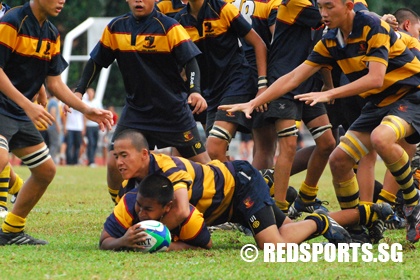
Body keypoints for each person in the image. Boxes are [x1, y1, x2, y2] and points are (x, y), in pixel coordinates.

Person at [219, 0, 420, 243]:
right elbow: (294, 76)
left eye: (329, 7)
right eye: (320, 7)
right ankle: (357, 228)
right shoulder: (331, 40)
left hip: (411, 95)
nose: (323, 13)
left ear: (348, 6)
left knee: (380, 138)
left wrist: (329, 93)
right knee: (339, 159)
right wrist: (254, 101)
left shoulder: (370, 24)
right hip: (377, 104)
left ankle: (413, 204)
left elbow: (375, 79)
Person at [112, 129, 395, 248]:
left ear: (145, 154)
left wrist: (159, 239)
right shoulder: (133, 182)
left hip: (240, 186)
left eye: (125, 155)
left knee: (272, 246)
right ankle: (366, 214)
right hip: (225, 205)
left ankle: (320, 221)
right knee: (286, 231)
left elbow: (183, 210)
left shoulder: (169, 169)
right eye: (116, 156)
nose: (119, 162)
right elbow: (122, 214)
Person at [74, 0, 210, 206]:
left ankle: (226, 205)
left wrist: (195, 91)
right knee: (113, 162)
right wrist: (79, 91)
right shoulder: (115, 28)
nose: (139, 1)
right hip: (136, 111)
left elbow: (191, 62)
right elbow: (97, 61)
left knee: (204, 165)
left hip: (173, 111)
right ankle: (120, 206)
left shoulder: (169, 27)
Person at [0, 0, 114, 246]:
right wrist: (27, 105)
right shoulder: (12, 21)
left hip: (19, 112)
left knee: (45, 171)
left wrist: (86, 110)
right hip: (4, 107)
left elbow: (55, 83)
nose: (62, 0)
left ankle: (10, 232)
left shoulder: (51, 33)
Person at [258, 0, 336, 217]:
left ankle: (305, 199)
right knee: (288, 146)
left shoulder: (319, 6)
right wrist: (379, 20)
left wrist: (328, 85)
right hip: (284, 82)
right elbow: (339, 16)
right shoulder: (296, 3)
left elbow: (322, 51)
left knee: (328, 143)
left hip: (309, 84)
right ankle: (279, 211)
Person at [175, 0, 268, 163]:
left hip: (237, 84)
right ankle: (237, 186)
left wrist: (262, 85)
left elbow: (259, 43)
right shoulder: (180, 21)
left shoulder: (223, 9)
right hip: (210, 92)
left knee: (214, 148)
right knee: (217, 156)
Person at [100, 173, 212, 251]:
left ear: (167, 207)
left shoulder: (190, 219)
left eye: (148, 209)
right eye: (139, 205)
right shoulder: (127, 204)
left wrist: (169, 246)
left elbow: (206, 246)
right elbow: (104, 241)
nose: (141, 213)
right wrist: (122, 241)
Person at [84, 88, 102, 167]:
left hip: (96, 125)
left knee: (95, 143)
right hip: (89, 126)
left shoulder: (97, 102)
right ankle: (90, 160)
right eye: (89, 93)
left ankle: (92, 159)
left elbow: (101, 112)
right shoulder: (85, 103)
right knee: (91, 143)